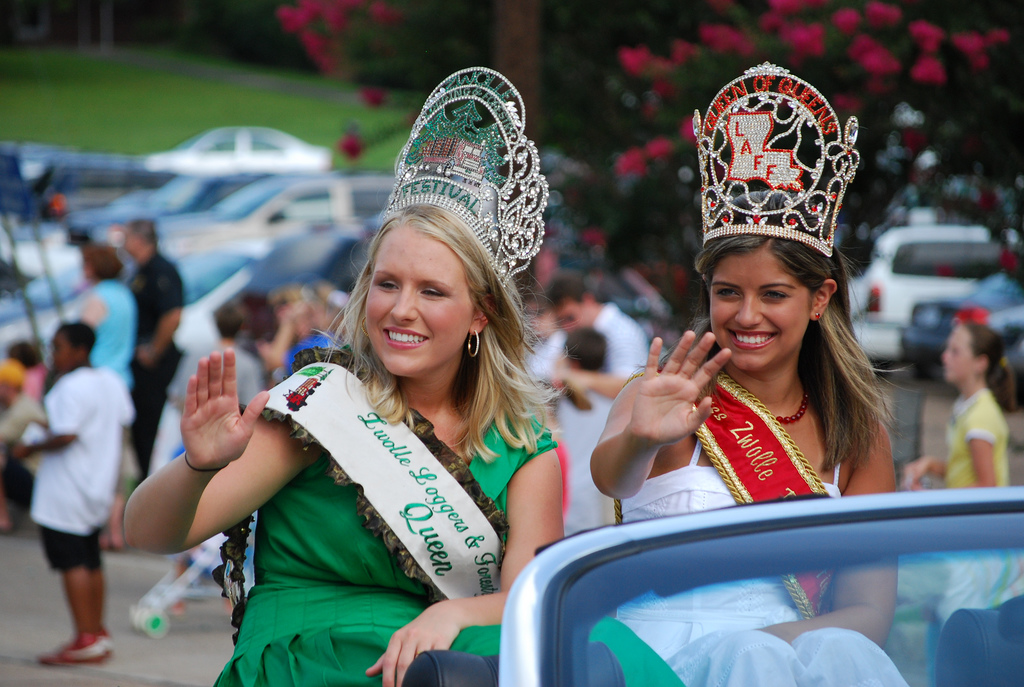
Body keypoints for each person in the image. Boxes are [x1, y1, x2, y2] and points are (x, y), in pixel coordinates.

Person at [125, 68, 680, 687]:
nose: (400, 309)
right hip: (314, 658)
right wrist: (196, 467)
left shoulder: (526, 448)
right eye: (387, 284)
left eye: (432, 291)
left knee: (598, 647)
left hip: (449, 655)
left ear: (480, 314)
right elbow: (148, 532)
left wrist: (456, 614)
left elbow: (529, 601)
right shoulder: (320, 406)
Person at [591, 63, 907, 686]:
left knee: (843, 656)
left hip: (791, 653)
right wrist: (641, 436)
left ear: (819, 299)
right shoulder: (668, 397)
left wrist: (763, 643)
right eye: (728, 291)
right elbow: (612, 477)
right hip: (657, 661)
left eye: (774, 294)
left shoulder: (857, 433)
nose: (747, 315)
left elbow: (868, 610)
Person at [10, 323, 134, 665]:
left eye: (59, 347)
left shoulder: (69, 386)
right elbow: (120, 424)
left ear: (80, 350)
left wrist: (28, 447)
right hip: (95, 486)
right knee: (91, 560)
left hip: (66, 490)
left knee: (72, 562)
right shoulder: (111, 381)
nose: (54, 354)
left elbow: (66, 435)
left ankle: (85, 637)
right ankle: (97, 631)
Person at [904, 322, 1016, 489]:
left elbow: (986, 486)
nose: (945, 356)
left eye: (955, 351)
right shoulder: (967, 406)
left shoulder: (980, 417)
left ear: (980, 363)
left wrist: (934, 500)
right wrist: (930, 464)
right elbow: (962, 471)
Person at [79, 242, 139, 550]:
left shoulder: (98, 298)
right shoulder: (126, 296)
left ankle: (98, 524)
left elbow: (82, 337)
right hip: (122, 382)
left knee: (96, 454)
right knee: (118, 457)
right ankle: (115, 528)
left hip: (97, 382)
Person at [119, 217, 184, 478]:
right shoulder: (139, 270)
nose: (122, 243)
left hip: (154, 366)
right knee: (140, 430)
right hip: (138, 362)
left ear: (138, 239)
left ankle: (154, 481)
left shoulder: (161, 269)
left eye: (125, 237)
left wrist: (154, 351)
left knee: (151, 428)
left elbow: (173, 315)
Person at [543, 269, 649, 400]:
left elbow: (630, 386)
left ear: (588, 300)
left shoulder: (622, 333)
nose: (566, 327)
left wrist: (578, 377)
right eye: (560, 322)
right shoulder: (576, 331)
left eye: (570, 317)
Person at [557, 327, 616, 534]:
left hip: (564, 501)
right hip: (595, 503)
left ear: (572, 363)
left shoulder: (560, 402)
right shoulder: (615, 405)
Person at [0, 359, 48, 532]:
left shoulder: (22, 410)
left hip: (34, 477)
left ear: (8, 386)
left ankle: (3, 517)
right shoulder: (11, 406)